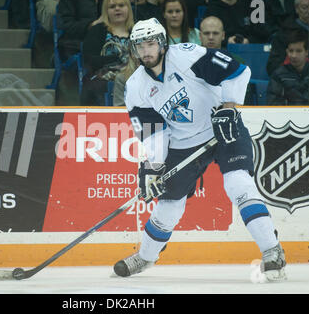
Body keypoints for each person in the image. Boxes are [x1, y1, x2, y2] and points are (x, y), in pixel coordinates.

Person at [113, 18, 287, 281]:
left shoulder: (187, 56)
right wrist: (154, 167)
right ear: (134, 50)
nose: (146, 51)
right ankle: (146, 257)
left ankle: (272, 250)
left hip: (222, 127)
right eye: (140, 46)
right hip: (183, 145)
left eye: (150, 44)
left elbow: (238, 70)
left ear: (161, 43)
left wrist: (228, 108)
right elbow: (154, 133)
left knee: (238, 185)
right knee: (168, 205)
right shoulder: (136, 87)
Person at [80, 0, 133, 105]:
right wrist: (115, 59)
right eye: (112, 7)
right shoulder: (97, 31)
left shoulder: (136, 31)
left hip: (132, 76)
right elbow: (89, 59)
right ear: (106, 11)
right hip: (103, 77)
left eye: (121, 5)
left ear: (128, 8)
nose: (117, 9)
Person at [267, 30, 309, 104]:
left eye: (298, 51)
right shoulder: (278, 75)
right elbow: (273, 103)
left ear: (306, 52)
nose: (294, 55)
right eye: (291, 51)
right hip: (288, 115)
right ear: (287, 52)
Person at [204, 0, 273, 45]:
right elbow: (208, 37)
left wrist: (248, 41)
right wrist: (227, 40)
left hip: (250, 50)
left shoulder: (252, 5)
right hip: (223, 49)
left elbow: (263, 33)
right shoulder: (213, 8)